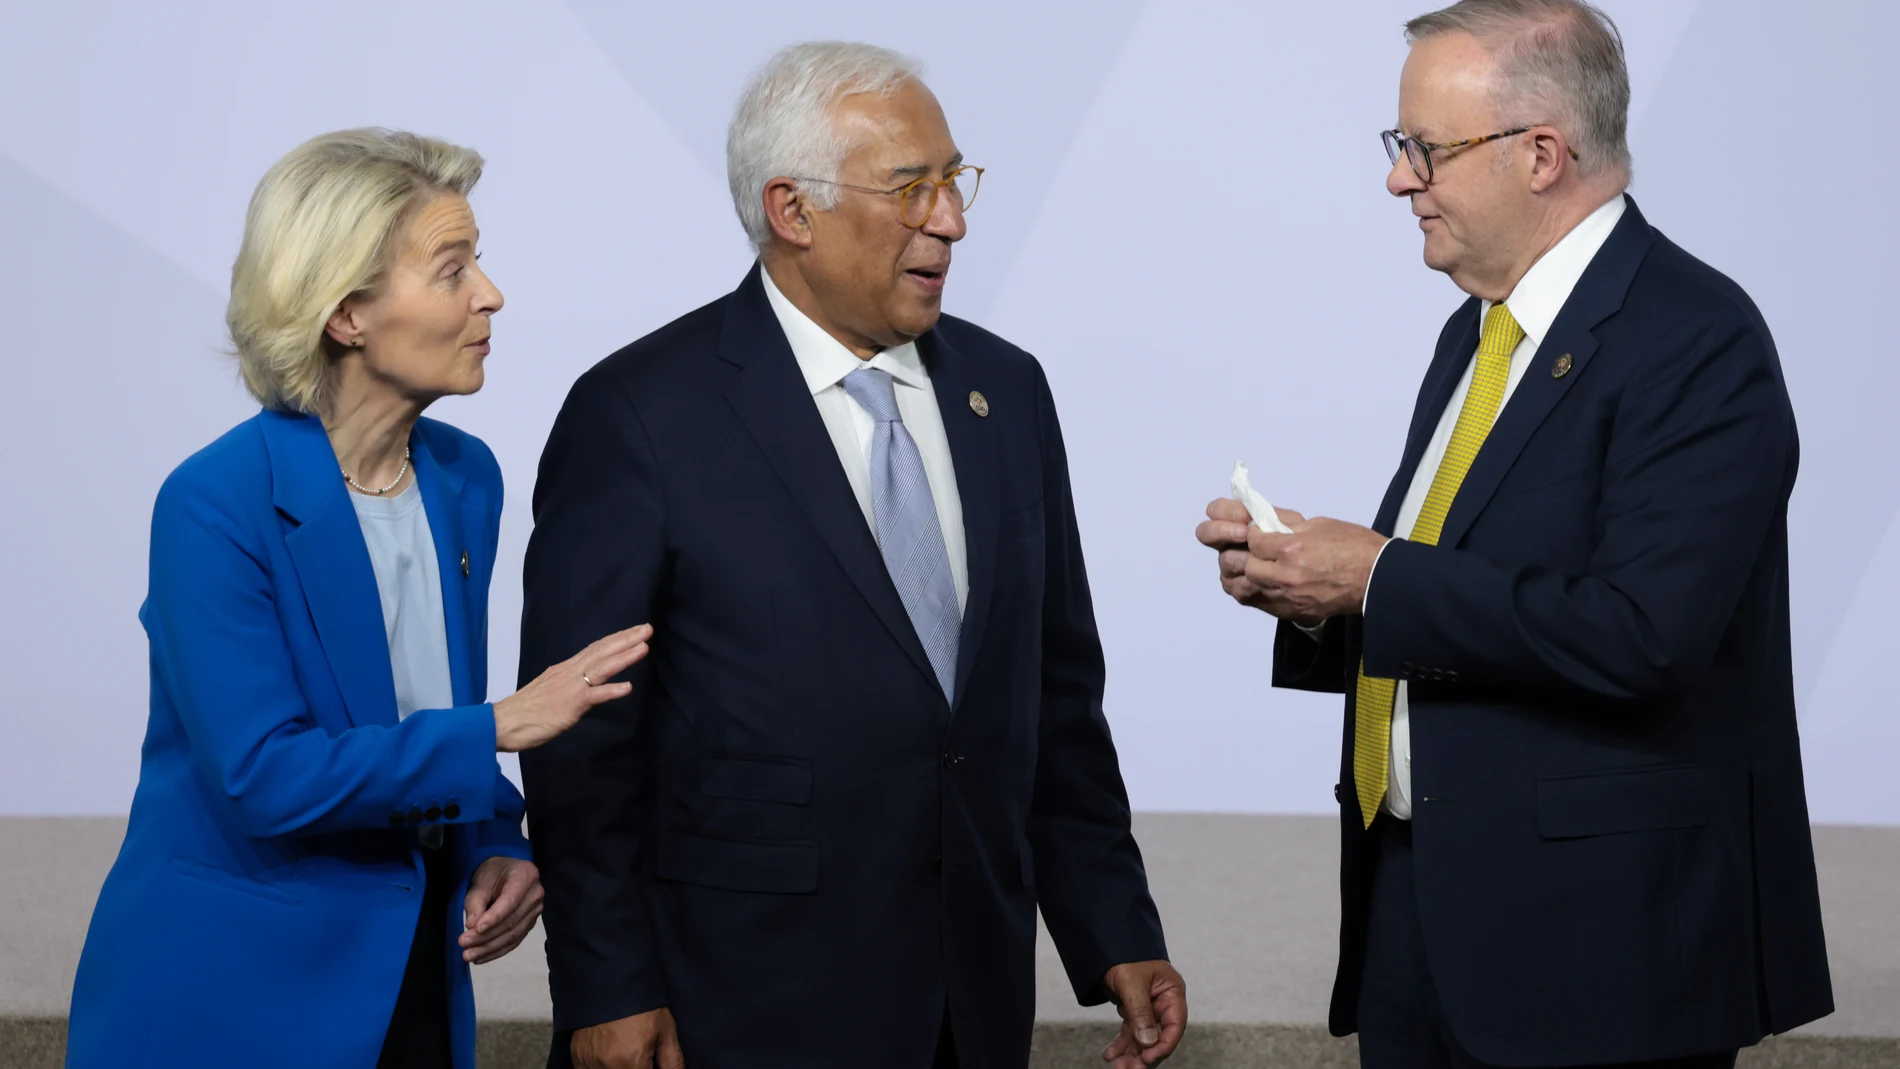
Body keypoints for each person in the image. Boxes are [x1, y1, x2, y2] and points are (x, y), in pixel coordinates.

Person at [519, 41, 1184, 1069]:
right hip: (736, 1003)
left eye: (954, 181)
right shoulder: (639, 414)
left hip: (970, 1000)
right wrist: (606, 984)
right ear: (793, 211)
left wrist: (1115, 929)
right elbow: (585, 746)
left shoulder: (1008, 393)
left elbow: (1050, 696)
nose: (952, 221)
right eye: (911, 187)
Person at [1195, 2, 1834, 1066]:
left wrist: (1375, 579)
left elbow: (1643, 635)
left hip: (1596, 962)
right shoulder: (1477, 330)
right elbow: (1462, 597)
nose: (1399, 180)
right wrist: (1310, 589)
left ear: (1541, 154)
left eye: (1423, 150)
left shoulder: (1695, 337)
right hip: (1419, 924)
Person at [66, 128, 652, 1069]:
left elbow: (423, 712)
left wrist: (499, 834)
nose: (490, 294)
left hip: (416, 972)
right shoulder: (214, 503)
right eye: (453, 269)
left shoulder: (467, 479)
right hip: (236, 996)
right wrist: (499, 726)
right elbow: (266, 773)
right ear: (346, 314)